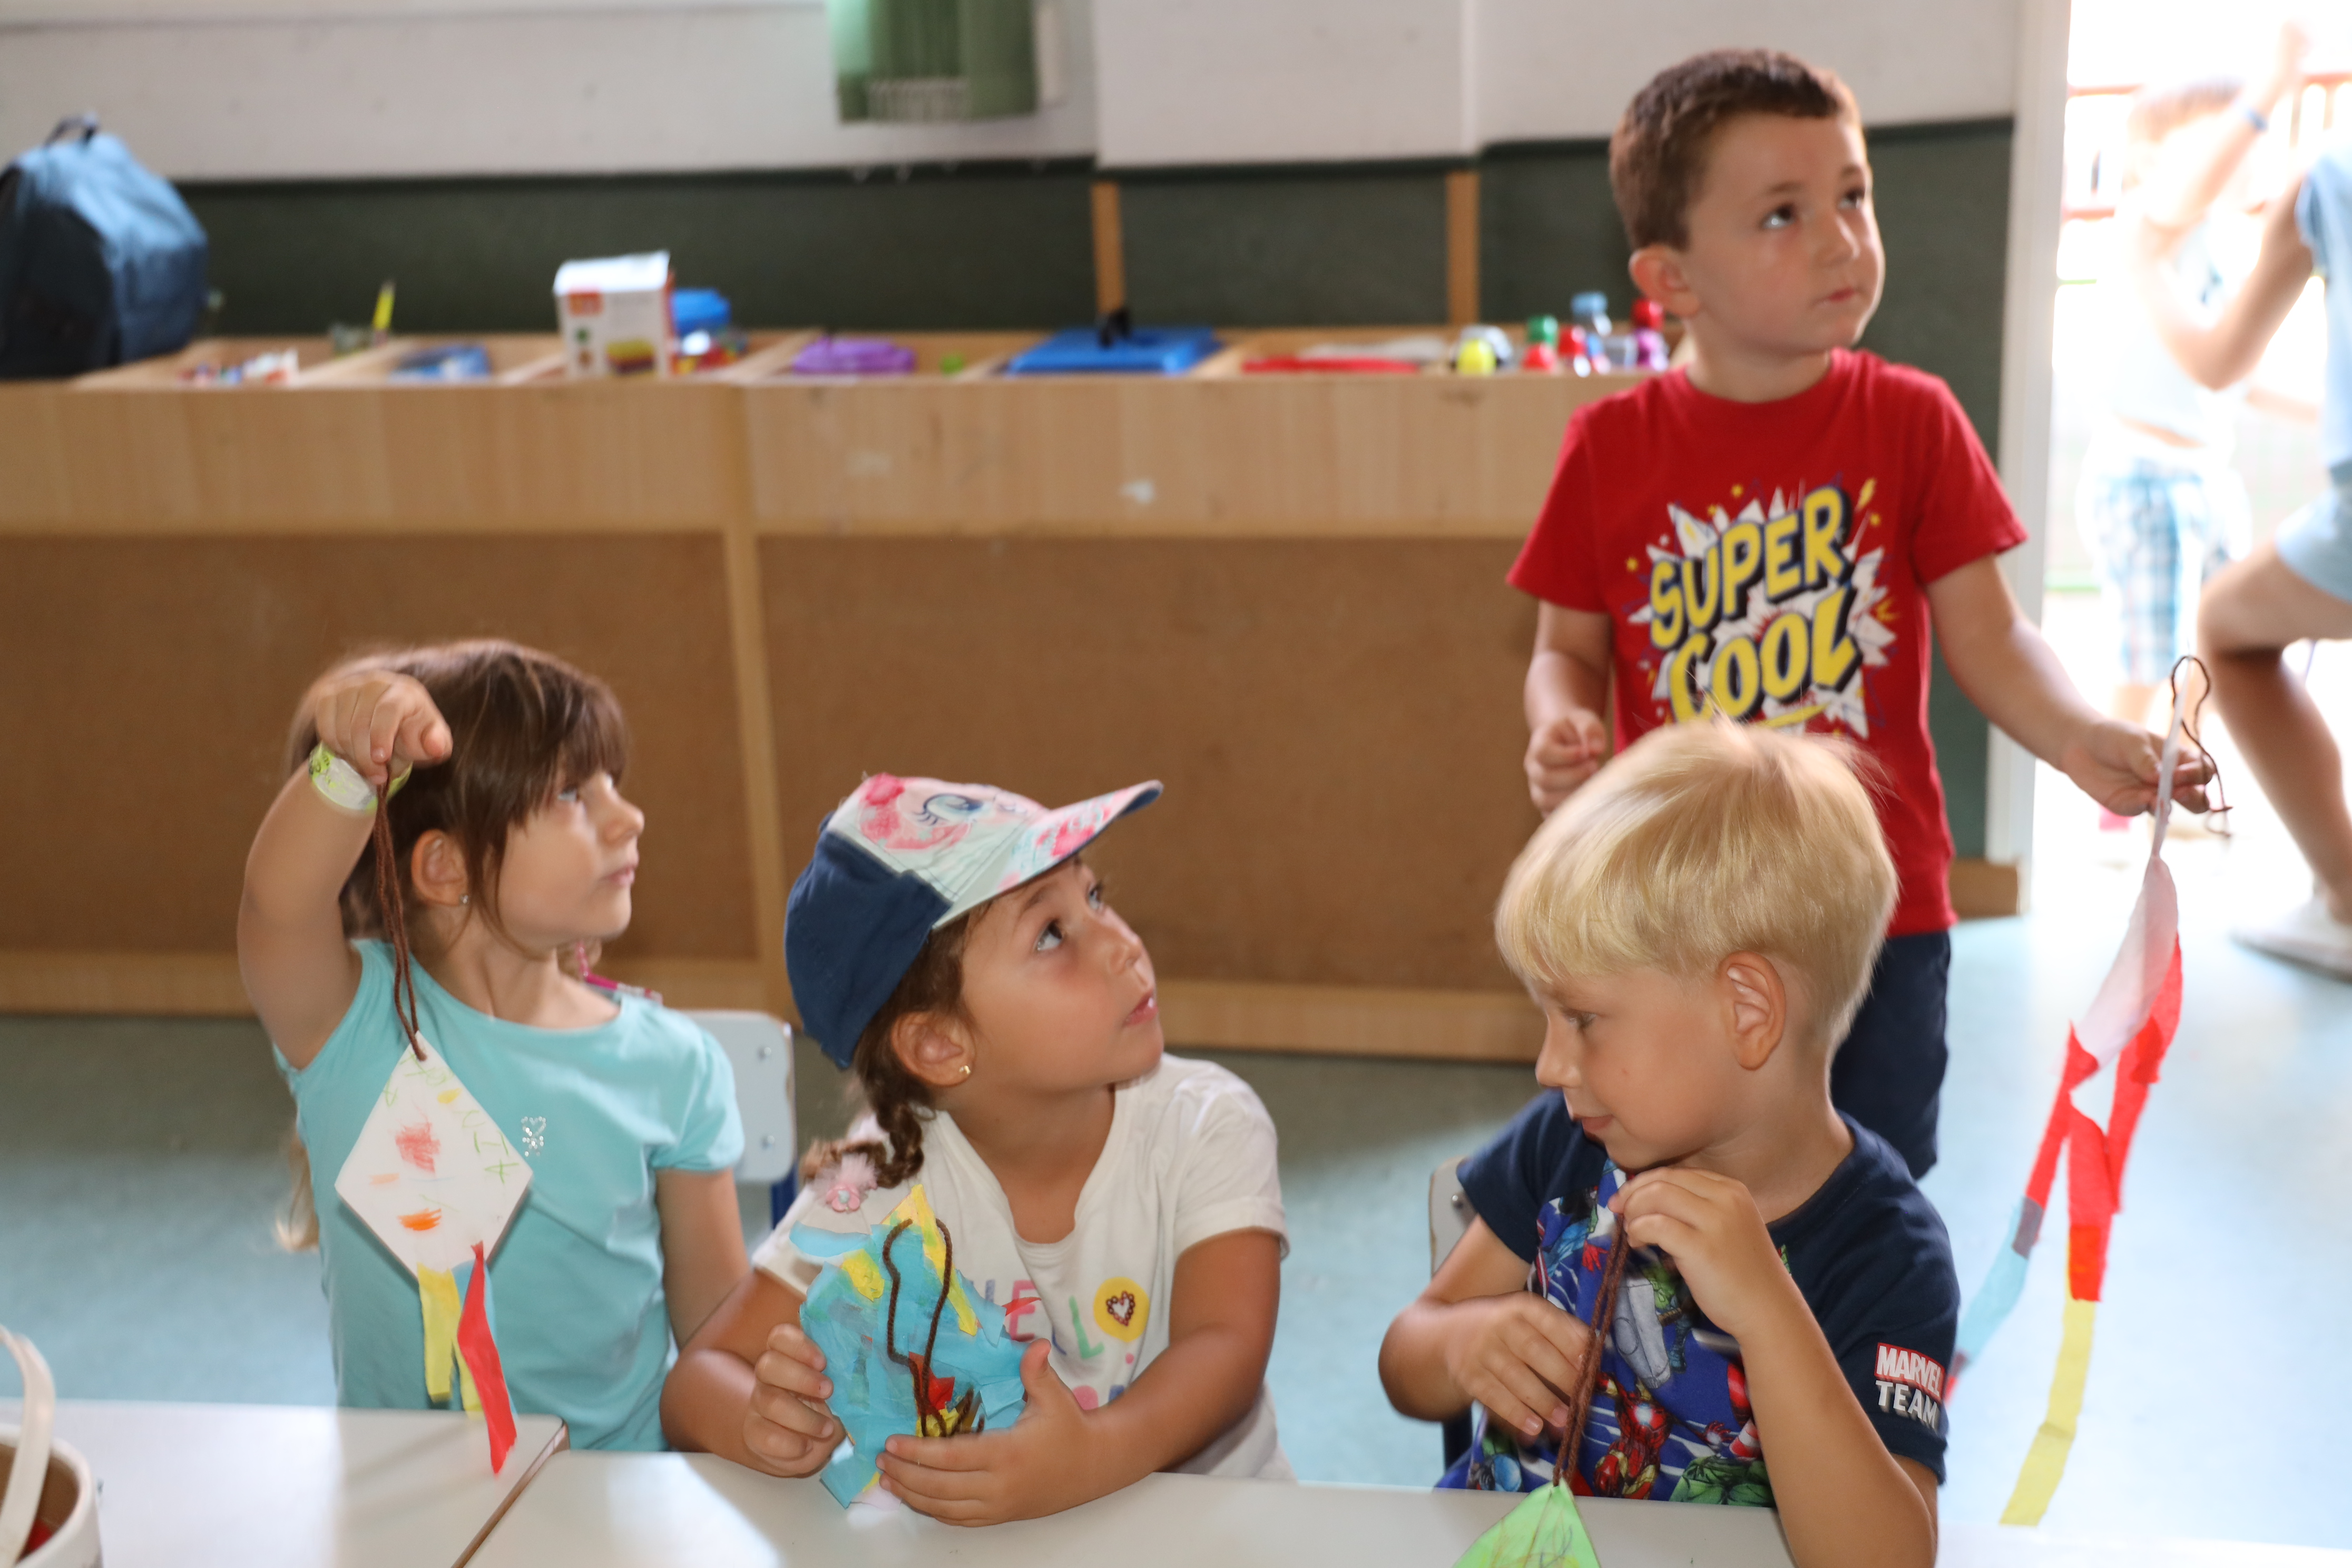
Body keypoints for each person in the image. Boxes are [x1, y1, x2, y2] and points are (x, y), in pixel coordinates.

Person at [1513, 48, 2208, 1178]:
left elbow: (1993, 638)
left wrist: (2082, 739)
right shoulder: (1608, 449)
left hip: (1877, 906)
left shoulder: (1912, 422)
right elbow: (1564, 650)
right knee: (1683, 1181)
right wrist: (1557, 728)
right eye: (1783, 215)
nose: (1842, 237)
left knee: (1867, 1188)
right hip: (1681, 911)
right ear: (1671, 278)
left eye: (1853, 195)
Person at [1380, 722, 1954, 1568]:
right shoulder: (1573, 1138)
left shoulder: (1887, 1252)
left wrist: (1766, 1308)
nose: (1549, 1065)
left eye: (1583, 1019)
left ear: (1747, 1013)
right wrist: (1465, 1346)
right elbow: (1407, 1357)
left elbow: (1888, 1558)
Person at [662, 775, 1289, 1523]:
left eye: (1094, 897)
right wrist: (763, 1420)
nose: (1124, 944)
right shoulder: (885, 1178)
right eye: (1052, 934)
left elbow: (1226, 1349)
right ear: (938, 1043)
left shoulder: (1207, 1123)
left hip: (1213, 1532)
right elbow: (698, 1380)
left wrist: (1092, 1455)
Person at [239, 639, 750, 1449]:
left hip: (613, 1494)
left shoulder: (675, 1066)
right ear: (445, 868)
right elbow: (279, 907)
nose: (629, 817)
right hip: (409, 1508)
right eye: (574, 794)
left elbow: (722, 1337)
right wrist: (346, 767)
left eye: (614, 784)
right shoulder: (356, 1024)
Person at [2081, 29, 2309, 840]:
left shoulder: (2222, 246)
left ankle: (2177, 786)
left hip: (2209, 478)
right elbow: (2199, 179)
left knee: (2207, 654)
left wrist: (2327, 416)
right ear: (2147, 159)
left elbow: (2237, 374)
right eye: (2219, 133)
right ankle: (2119, 803)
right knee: (2149, 653)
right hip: (2145, 474)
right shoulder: (2149, 220)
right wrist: (2269, 87)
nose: (2242, 148)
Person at [2190, 129, 2352, 974]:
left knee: (2224, 624)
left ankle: (2347, 898)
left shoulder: (2328, 176)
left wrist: (2145, 271)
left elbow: (2221, 362)